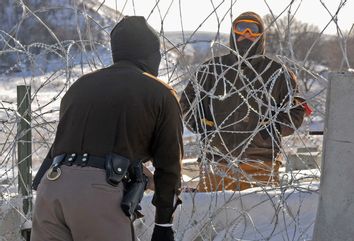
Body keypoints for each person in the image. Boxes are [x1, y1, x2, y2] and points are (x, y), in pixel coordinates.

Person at [31, 16, 183, 241]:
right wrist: (163, 223)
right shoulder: (160, 92)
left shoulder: (80, 86)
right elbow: (169, 166)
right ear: (152, 53)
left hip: (51, 189)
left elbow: (64, 143)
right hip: (97, 195)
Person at [180, 12, 306, 192]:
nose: (246, 33)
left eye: (253, 29)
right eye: (241, 28)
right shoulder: (212, 69)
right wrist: (202, 125)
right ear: (233, 32)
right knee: (216, 216)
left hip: (261, 162)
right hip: (216, 161)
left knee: (262, 216)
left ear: (261, 35)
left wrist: (272, 129)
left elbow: (296, 110)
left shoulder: (277, 73)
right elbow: (186, 102)